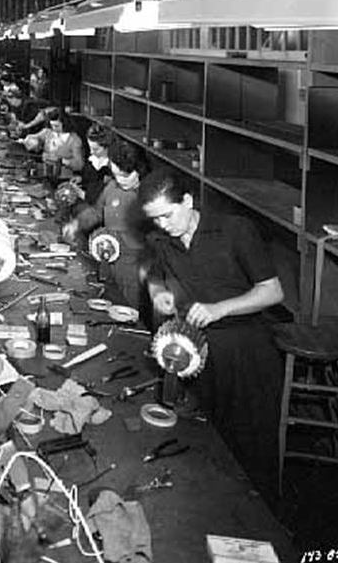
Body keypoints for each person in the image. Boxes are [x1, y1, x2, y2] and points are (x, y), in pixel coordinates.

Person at [139, 168, 284, 501]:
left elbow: (273, 291)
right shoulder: (161, 239)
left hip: (245, 350)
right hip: (199, 352)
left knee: (251, 451)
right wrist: (158, 293)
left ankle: (263, 515)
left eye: (167, 215)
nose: (162, 224)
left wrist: (221, 308)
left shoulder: (235, 231)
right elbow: (153, 275)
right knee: (204, 446)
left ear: (188, 201)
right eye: (155, 219)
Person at [62, 139, 149, 308]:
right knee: (107, 303)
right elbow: (96, 212)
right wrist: (76, 224)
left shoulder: (147, 196)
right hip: (107, 257)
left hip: (133, 265)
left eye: (125, 176)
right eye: (116, 175)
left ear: (139, 170)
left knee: (129, 308)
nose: (120, 180)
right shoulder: (112, 187)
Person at [18, 108, 84, 180]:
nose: (54, 128)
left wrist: (61, 160)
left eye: (57, 126)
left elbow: (79, 164)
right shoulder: (47, 133)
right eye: (52, 125)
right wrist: (30, 141)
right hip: (45, 175)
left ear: (64, 124)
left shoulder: (74, 140)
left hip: (64, 178)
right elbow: (33, 137)